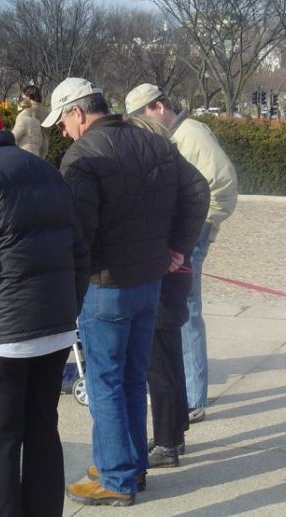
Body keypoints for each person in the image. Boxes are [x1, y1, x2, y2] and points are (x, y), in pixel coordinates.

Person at [42, 77, 210, 506]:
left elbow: (78, 232)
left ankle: (116, 476)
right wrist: (177, 245)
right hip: (148, 281)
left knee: (106, 382)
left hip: (106, 285)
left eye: (62, 122)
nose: (63, 132)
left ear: (78, 112)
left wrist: (69, 285)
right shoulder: (151, 141)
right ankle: (130, 464)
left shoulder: (83, 155)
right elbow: (197, 190)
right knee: (132, 377)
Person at [0, 83, 90, 517]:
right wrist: (66, 310)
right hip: (53, 331)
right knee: (43, 434)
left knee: (3, 444)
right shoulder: (43, 170)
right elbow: (80, 253)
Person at [125, 83, 238, 424]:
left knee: (186, 311)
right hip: (179, 231)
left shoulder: (190, 134)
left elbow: (222, 182)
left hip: (191, 232)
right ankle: (183, 391)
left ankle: (192, 396)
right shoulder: (174, 136)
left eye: (140, 116)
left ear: (158, 107)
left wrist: (199, 227)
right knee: (176, 309)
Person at [126, 114, 198, 468]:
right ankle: (176, 431)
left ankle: (168, 441)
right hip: (170, 268)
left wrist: (177, 247)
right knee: (167, 354)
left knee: (160, 361)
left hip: (164, 272)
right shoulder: (171, 164)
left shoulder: (161, 165)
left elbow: (199, 193)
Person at [19, 85, 50, 158]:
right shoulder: (45, 111)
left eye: (23, 96)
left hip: (29, 147)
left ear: (28, 97)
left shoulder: (27, 111)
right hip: (44, 146)